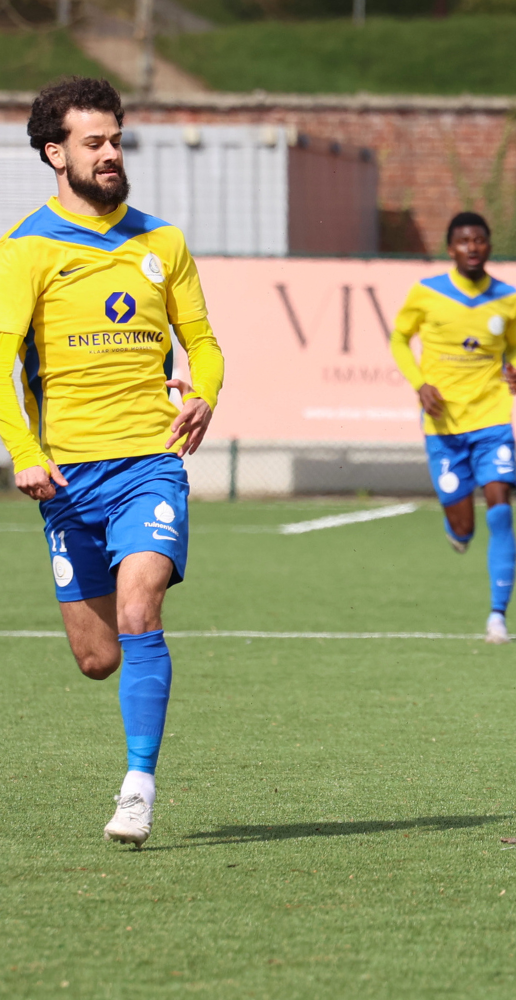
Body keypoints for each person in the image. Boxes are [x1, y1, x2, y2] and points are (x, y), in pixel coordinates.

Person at [0, 77, 225, 846]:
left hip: (149, 464)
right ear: (54, 153)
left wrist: (208, 394)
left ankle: (138, 786)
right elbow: (1, 362)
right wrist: (24, 455)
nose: (110, 154)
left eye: (117, 139)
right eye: (94, 142)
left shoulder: (163, 242)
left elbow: (204, 343)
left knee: (140, 612)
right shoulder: (26, 247)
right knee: (97, 658)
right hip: (66, 478)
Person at [392, 212, 516, 644]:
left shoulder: (509, 299)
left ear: (489, 246)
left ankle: (497, 616)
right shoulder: (426, 293)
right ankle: (457, 530)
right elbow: (399, 338)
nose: (472, 247)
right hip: (443, 424)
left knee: (500, 509)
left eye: (480, 240)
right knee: (463, 523)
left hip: (492, 418)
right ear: (451, 248)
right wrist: (419, 384)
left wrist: (515, 370)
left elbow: (515, 347)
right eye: (464, 241)